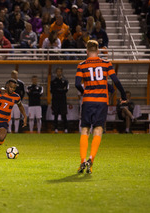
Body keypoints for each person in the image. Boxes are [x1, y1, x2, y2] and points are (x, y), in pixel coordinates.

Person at [75, 40, 127, 174]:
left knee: (85, 129)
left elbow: (76, 84)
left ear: (86, 51)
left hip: (87, 101)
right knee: (98, 129)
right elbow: (115, 81)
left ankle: (82, 160)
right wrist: (123, 95)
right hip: (101, 102)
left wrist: (84, 92)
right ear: (98, 51)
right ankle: (91, 159)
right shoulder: (106, 64)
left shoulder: (82, 65)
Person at [51, 67, 69, 133]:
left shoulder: (65, 81)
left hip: (63, 100)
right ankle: (56, 128)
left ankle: (66, 128)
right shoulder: (53, 81)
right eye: (57, 71)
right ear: (56, 72)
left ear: (61, 72)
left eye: (60, 71)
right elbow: (52, 90)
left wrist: (58, 90)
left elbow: (66, 90)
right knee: (55, 115)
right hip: (55, 100)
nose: (59, 72)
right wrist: (61, 89)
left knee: (64, 115)